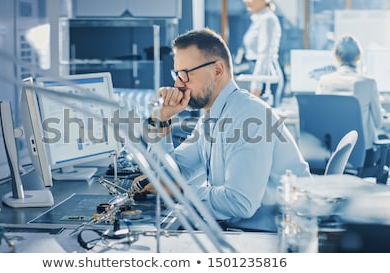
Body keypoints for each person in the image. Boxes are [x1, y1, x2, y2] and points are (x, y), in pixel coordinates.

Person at [132, 28, 310, 232]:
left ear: (217, 70)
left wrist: (178, 190)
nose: (177, 84)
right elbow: (174, 170)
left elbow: (240, 203)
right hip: (237, 229)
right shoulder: (212, 116)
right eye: (177, 74)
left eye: (185, 74)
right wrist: (162, 120)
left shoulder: (248, 115)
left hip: (273, 238)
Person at [316, 35, 383, 152]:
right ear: (359, 57)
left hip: (332, 154)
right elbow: (378, 123)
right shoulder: (369, 83)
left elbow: (320, 119)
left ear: (337, 57)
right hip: (363, 156)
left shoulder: (324, 81)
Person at [235, 0, 284, 107]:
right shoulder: (257, 19)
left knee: (264, 120)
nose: (246, 1)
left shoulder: (267, 19)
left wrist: (257, 85)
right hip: (257, 73)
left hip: (265, 76)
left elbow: (264, 55)